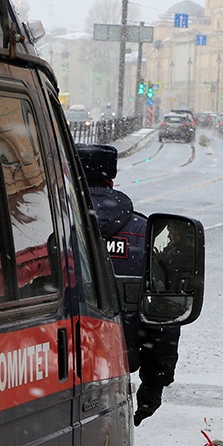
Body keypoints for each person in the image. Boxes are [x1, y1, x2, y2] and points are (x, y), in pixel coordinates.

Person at [75, 143, 181, 425]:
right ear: (111, 180)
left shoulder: (46, 227)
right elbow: (161, 316)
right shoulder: (144, 234)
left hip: (47, 374)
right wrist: (154, 384)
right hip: (115, 369)